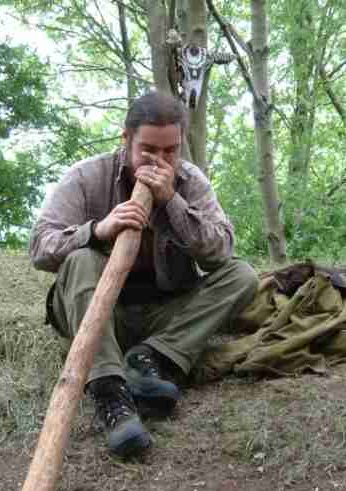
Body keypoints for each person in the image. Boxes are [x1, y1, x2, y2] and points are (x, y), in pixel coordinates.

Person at [30, 90, 258, 459]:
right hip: (100, 314)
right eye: (149, 150)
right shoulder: (87, 177)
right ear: (125, 139)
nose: (161, 160)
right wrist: (97, 230)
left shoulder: (189, 180)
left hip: (164, 311)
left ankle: (152, 358)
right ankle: (110, 394)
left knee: (243, 275)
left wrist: (173, 202)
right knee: (82, 259)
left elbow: (220, 252)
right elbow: (40, 248)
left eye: (171, 151)